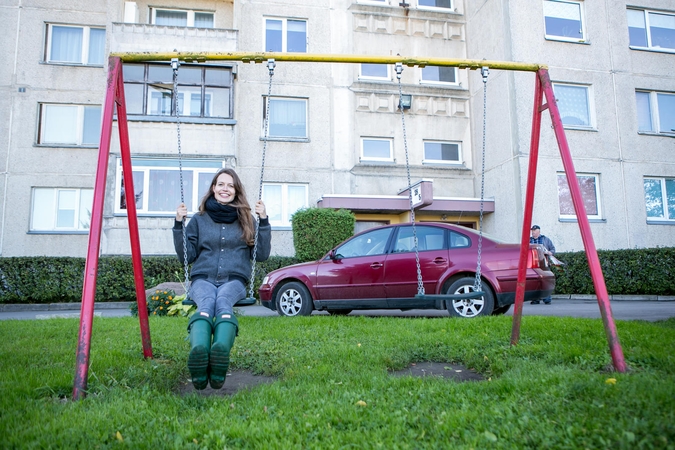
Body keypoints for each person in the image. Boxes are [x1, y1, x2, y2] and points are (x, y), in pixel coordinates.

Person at [173, 168, 271, 390]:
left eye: (230, 185)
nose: (225, 189)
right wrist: (179, 224)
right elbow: (186, 255)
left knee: (223, 301)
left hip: (234, 280)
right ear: (213, 189)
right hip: (203, 278)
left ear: (236, 191)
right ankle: (199, 354)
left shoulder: (246, 219)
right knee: (207, 303)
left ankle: (219, 355)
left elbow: (262, 254)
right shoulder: (198, 220)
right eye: (221, 184)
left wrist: (263, 220)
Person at [529, 224, 555, 305]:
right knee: (534, 282)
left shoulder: (545, 239)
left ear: (538, 231)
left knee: (546, 281)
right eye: (532, 231)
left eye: (534, 231)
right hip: (533, 264)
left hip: (544, 263)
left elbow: (553, 249)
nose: (532, 232)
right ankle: (535, 299)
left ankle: (547, 299)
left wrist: (549, 252)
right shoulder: (529, 240)